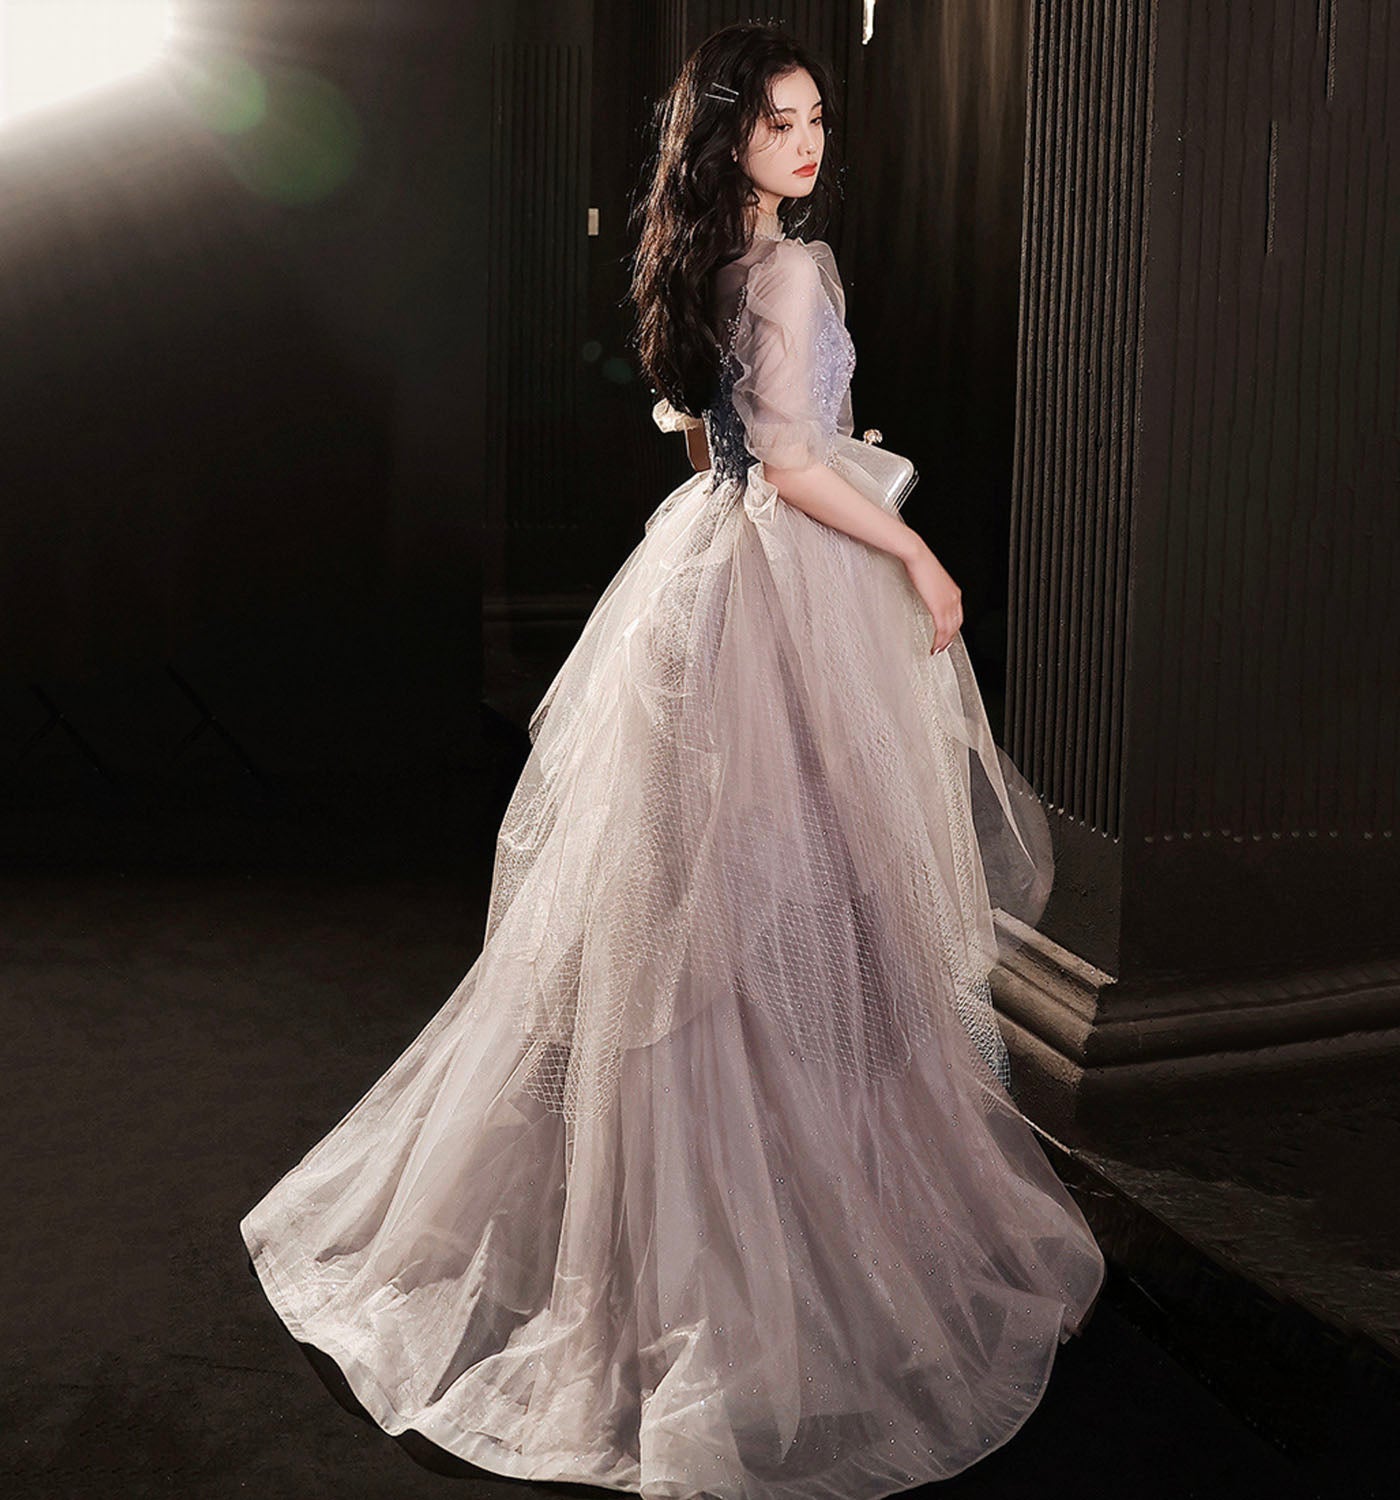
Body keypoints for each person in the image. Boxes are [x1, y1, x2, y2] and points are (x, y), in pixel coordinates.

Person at [240, 20, 1105, 1499]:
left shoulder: (702, 265)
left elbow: (718, 454)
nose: (807, 144)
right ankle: (768, 1230)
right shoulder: (790, 270)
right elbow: (795, 460)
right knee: (777, 894)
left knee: (696, 903)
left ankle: (686, 1209)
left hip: (702, 579)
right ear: (726, 140)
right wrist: (914, 551)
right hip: (778, 588)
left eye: (815, 119)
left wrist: (805, 480)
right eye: (777, 123)